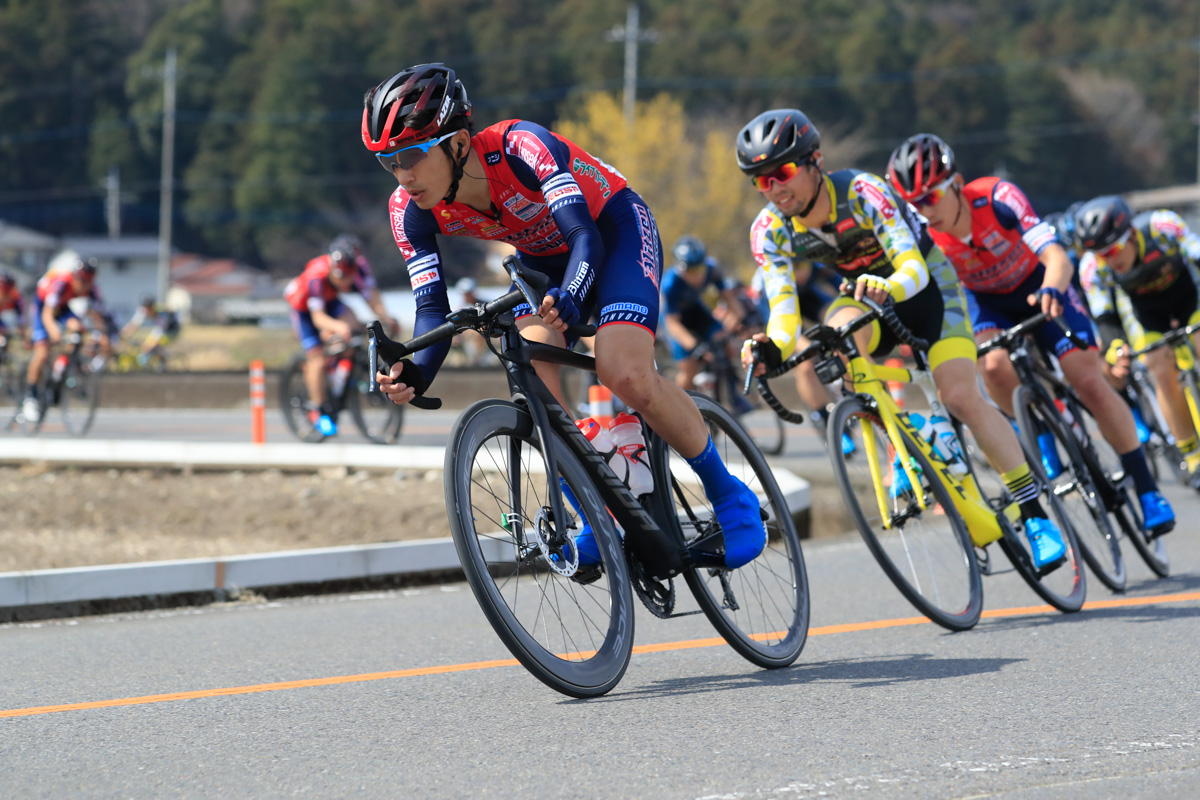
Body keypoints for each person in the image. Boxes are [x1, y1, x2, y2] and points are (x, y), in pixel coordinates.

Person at [363, 62, 766, 569]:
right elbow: (430, 307)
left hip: (612, 230)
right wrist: (416, 369)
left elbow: (584, 237)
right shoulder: (409, 210)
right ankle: (596, 514)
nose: (403, 176)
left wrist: (574, 295)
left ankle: (730, 495)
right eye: (389, 163)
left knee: (622, 371)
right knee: (533, 381)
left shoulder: (521, 147)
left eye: (412, 156)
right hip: (542, 261)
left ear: (458, 143)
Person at [738, 109, 1067, 569]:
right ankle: (902, 449)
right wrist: (771, 344)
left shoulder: (863, 191)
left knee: (959, 395)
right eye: (761, 181)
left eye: (784, 172)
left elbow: (910, 265)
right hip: (866, 298)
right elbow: (784, 307)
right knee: (835, 334)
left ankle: (1034, 514)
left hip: (927, 289)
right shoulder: (768, 231)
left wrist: (888, 286)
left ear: (815, 162)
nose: (774, 189)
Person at [887, 134, 1173, 537]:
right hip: (986, 303)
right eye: (912, 204)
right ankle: (1037, 431)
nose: (923, 211)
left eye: (929, 198)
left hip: (1039, 285)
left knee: (1088, 380)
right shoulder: (923, 233)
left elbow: (1055, 256)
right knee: (992, 364)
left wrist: (1054, 289)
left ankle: (1146, 489)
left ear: (956, 184)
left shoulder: (998, 197)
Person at [1074, 195, 1200, 484]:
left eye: (1115, 249)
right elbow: (1104, 315)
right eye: (1102, 254)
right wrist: (1116, 348)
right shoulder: (1094, 269)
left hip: (1189, 296)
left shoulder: (1162, 227)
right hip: (1147, 313)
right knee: (1159, 367)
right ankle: (1192, 456)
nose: (1111, 259)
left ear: (1131, 233)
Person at [284, 237, 399, 436]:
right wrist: (338, 327)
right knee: (318, 358)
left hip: (330, 299)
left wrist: (386, 318)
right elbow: (318, 317)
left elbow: (371, 296)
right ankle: (317, 408)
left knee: (353, 325)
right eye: (340, 276)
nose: (345, 282)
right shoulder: (316, 276)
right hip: (304, 308)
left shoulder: (360, 266)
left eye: (348, 276)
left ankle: (340, 371)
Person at [23, 256, 109, 421]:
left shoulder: (92, 289)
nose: (84, 286)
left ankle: (61, 369)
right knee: (42, 352)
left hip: (63, 308)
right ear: (75, 277)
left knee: (77, 329)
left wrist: (101, 336)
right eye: (82, 281)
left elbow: (98, 317)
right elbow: (48, 314)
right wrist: (54, 332)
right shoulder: (61, 283)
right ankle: (31, 396)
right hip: (43, 308)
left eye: (89, 282)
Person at [660, 235, 747, 396]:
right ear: (680, 268)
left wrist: (738, 320)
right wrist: (694, 346)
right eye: (691, 270)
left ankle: (734, 391)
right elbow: (672, 324)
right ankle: (678, 402)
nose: (697, 275)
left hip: (696, 310)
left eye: (700, 268)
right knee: (690, 367)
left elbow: (730, 299)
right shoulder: (670, 284)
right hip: (674, 320)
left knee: (724, 343)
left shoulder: (713, 269)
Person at [120, 295, 181, 366]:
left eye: (149, 308)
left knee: (155, 343)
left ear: (153, 307)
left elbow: (159, 332)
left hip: (172, 329)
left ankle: (161, 361)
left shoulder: (161, 313)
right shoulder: (143, 311)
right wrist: (123, 333)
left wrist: (150, 344)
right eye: (146, 307)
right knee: (148, 344)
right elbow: (134, 324)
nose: (147, 310)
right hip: (161, 327)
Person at [0, 271, 28, 346]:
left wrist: (25, 338)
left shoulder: (16, 297)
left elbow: (21, 318)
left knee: (6, 336)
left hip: (4, 323)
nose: (5, 294)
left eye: (8, 290)